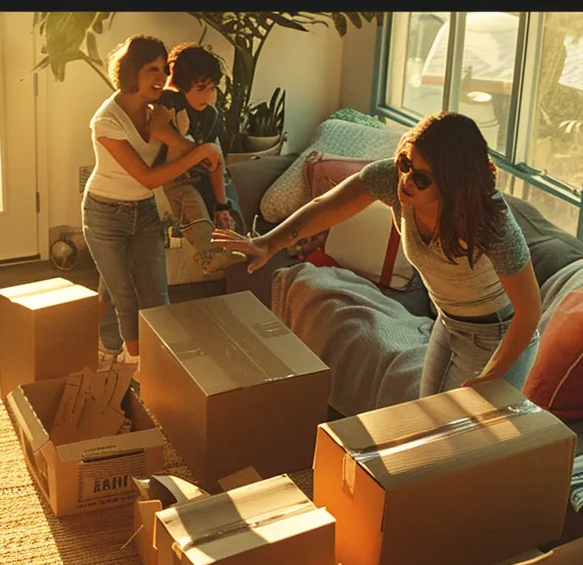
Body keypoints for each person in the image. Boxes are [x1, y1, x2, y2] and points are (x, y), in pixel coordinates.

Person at [212, 111, 542, 396]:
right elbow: (326, 207)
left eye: (422, 177)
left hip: (497, 333)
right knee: (427, 418)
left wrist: (492, 375)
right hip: (448, 322)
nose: (406, 179)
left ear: (453, 183)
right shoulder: (392, 180)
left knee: (458, 441)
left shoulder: (491, 223)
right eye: (405, 162)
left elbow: (529, 313)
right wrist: (268, 243)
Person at [85, 34, 224, 369]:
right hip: (105, 214)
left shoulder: (161, 109)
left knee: (155, 295)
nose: (161, 78)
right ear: (132, 71)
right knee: (125, 297)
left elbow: (183, 146)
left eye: (164, 69)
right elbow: (146, 177)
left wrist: (202, 155)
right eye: (152, 70)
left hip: (144, 212)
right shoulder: (107, 121)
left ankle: (124, 351)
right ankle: (137, 365)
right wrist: (200, 154)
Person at [149, 42, 246, 276]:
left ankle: (234, 244)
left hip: (202, 175)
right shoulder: (173, 101)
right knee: (191, 203)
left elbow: (214, 160)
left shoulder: (211, 116)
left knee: (226, 208)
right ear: (178, 86)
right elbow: (157, 127)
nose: (209, 96)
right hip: (176, 177)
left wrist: (222, 205)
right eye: (201, 88)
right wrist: (194, 152)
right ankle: (206, 254)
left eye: (212, 88)